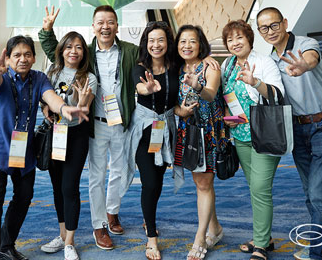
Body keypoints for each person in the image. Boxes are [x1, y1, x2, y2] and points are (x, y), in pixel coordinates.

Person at [0, 36, 88, 260]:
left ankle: (6, 244)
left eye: (27, 54)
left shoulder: (38, 78)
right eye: (17, 55)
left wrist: (64, 108)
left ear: (34, 57)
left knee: (25, 195)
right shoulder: (2, 76)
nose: (23, 59)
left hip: (24, 149)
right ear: (8, 59)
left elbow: (51, 97)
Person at [38, 5, 139, 250]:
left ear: (117, 25)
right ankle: (99, 225)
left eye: (110, 22)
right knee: (96, 175)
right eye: (100, 22)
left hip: (122, 120)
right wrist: (46, 30)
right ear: (93, 26)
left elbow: (153, 61)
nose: (105, 26)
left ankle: (112, 210)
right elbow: (58, 51)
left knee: (122, 170)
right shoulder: (86, 51)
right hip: (93, 123)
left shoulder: (130, 50)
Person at [256, 7, 322, 260]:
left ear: (285, 23)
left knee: (318, 194)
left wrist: (304, 65)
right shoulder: (269, 60)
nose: (270, 31)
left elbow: (311, 58)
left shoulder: (305, 43)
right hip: (296, 128)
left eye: (274, 25)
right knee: (311, 193)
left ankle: (319, 253)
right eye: (263, 28)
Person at [220, 20, 285, 260]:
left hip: (265, 135)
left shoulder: (264, 61)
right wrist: (228, 119)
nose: (235, 43)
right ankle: (264, 237)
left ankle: (261, 245)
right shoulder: (227, 64)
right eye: (230, 40)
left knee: (260, 188)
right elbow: (225, 97)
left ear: (249, 39)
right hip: (240, 136)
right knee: (254, 188)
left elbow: (278, 95)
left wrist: (255, 82)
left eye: (239, 38)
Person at [120, 21, 179, 260]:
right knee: (150, 183)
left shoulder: (175, 67)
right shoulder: (140, 67)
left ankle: (147, 219)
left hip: (166, 132)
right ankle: (152, 238)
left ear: (168, 43)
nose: (156, 45)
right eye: (151, 40)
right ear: (146, 43)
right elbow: (140, 89)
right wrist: (148, 88)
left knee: (158, 181)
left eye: (160, 40)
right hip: (145, 132)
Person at [39, 32, 98, 260]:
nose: (74, 51)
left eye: (79, 47)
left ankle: (70, 243)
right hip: (55, 136)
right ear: (61, 50)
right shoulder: (52, 72)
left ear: (84, 52)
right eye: (69, 47)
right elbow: (45, 100)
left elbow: (82, 111)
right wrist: (45, 109)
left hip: (76, 137)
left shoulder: (89, 78)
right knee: (56, 187)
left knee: (69, 187)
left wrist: (81, 100)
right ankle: (62, 234)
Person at [173, 24, 226, 260]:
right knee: (201, 183)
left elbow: (211, 93)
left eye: (192, 41)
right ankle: (215, 228)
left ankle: (200, 237)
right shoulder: (174, 69)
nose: (187, 46)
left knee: (204, 184)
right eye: (182, 41)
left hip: (207, 132)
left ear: (200, 43)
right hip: (186, 131)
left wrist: (198, 85)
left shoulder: (209, 66)